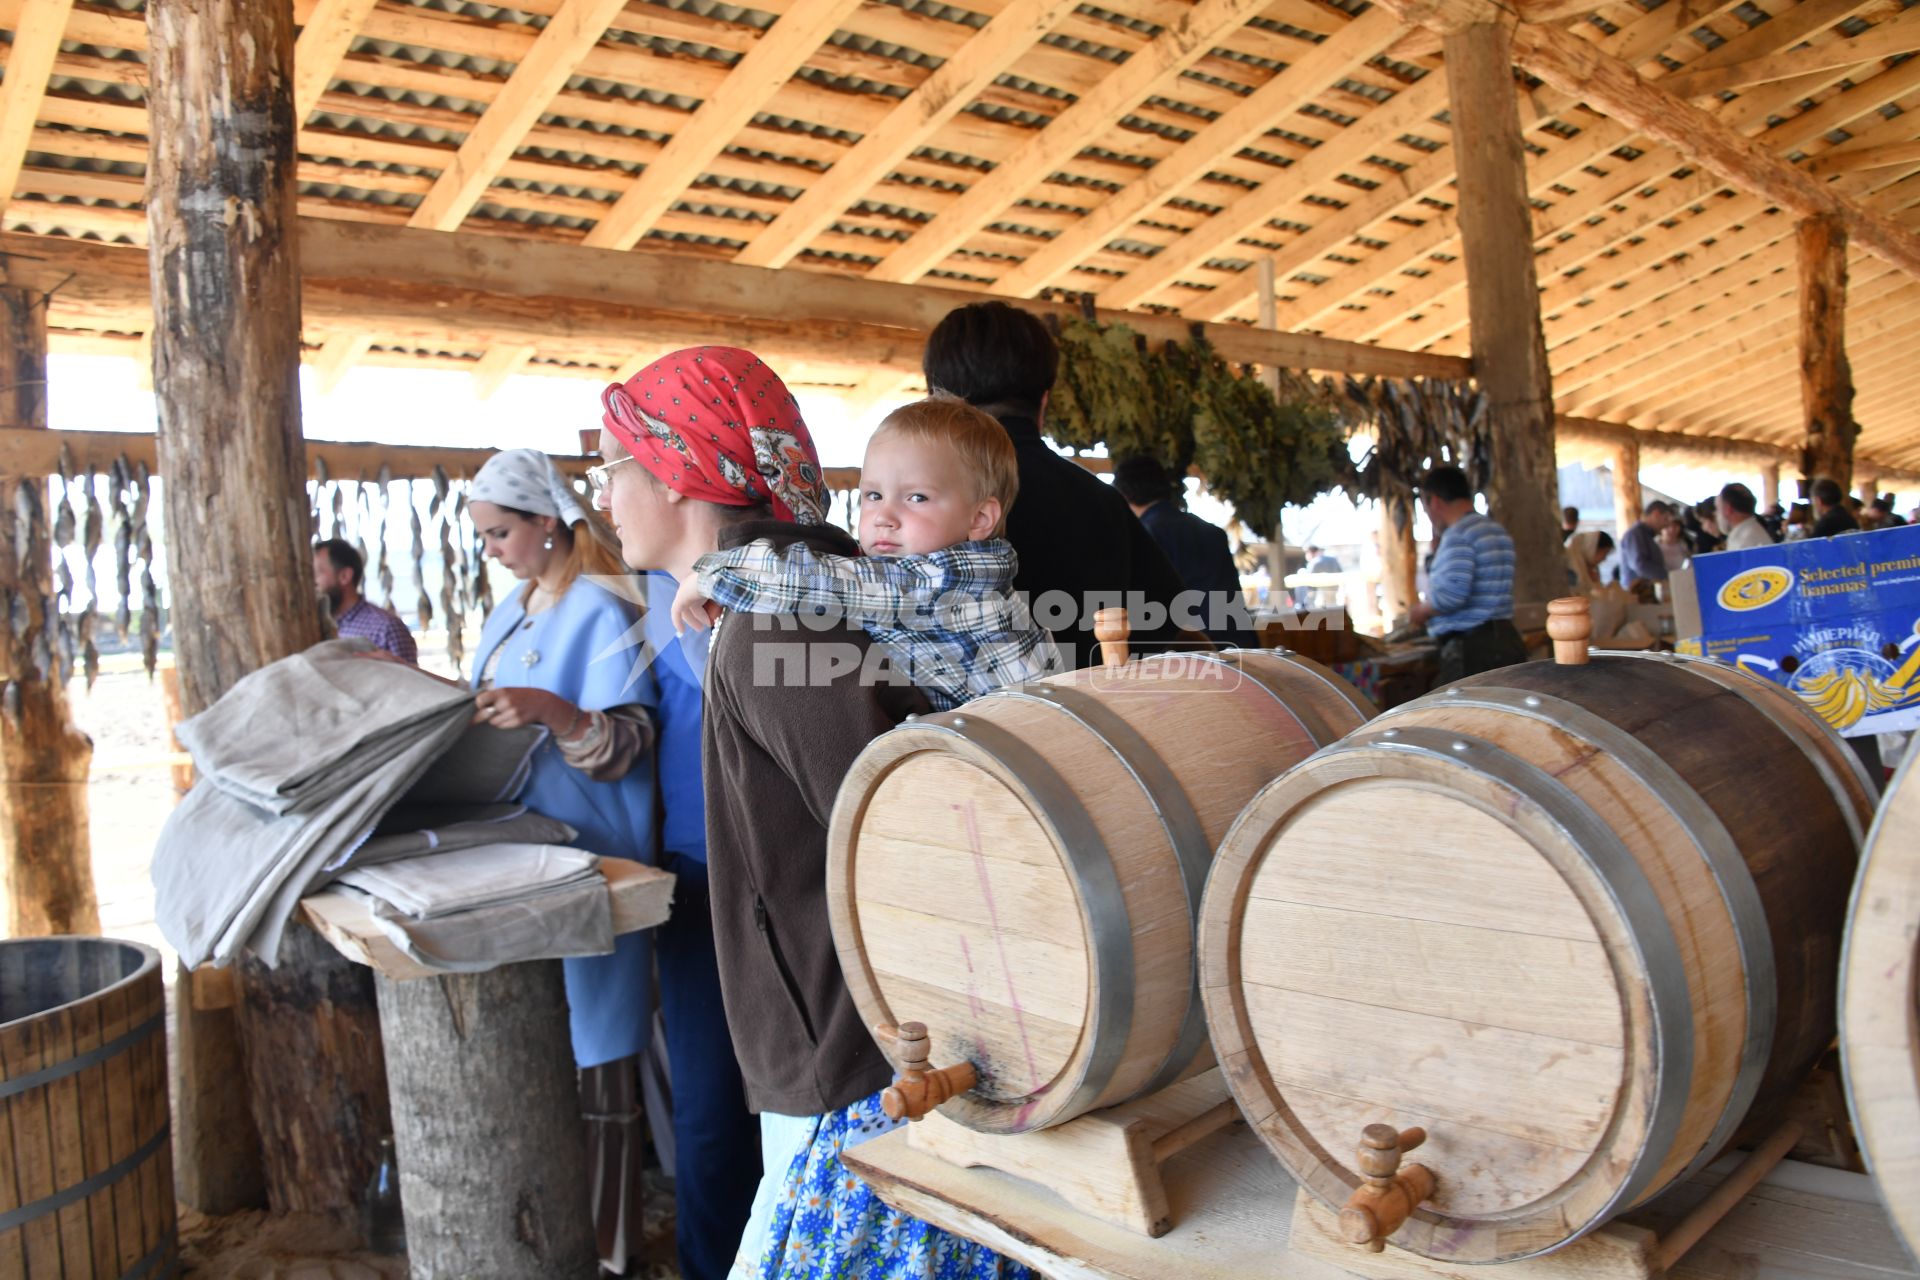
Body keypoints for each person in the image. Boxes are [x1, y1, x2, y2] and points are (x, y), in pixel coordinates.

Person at [592, 346, 1032, 1280]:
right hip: (851, 1032)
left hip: (852, 1048)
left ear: (678, 476)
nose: (602, 495)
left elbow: (887, 836)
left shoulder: (775, 623)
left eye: (613, 466)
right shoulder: (769, 601)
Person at [467, 448, 661, 1270]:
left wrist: (555, 711)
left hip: (597, 855)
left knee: (604, 1052)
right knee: (543, 1050)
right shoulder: (511, 611)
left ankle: (610, 1246)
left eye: (501, 532)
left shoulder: (604, 610)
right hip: (520, 853)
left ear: (548, 522)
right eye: (482, 537)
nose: (493, 549)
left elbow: (632, 742)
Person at [672, 396, 1062, 707]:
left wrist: (713, 574)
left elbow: (816, 580)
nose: (884, 517)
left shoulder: (936, 583)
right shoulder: (983, 578)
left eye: (917, 497)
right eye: (873, 495)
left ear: (980, 518)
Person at [921, 301, 1191, 667]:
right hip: (1092, 718)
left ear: (932, 398)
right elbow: (1171, 630)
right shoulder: (1105, 504)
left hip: (958, 723)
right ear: (1044, 401)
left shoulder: (916, 507)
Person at [1110, 454, 1258, 649]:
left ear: (1123, 495)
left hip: (1193, 656)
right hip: (1238, 645)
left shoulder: (1144, 536)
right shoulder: (1212, 531)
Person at [1408, 465, 1526, 685]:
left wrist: (1422, 610)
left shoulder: (1458, 535)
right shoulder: (1496, 530)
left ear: (1433, 501)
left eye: (1425, 508)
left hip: (1473, 649)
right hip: (1506, 639)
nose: (1429, 517)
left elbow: (1452, 595)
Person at [313, 537, 417, 661]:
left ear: (344, 576)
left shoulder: (386, 629)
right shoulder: (312, 626)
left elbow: (411, 679)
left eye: (316, 574)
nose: (311, 583)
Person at [1618, 500, 1675, 587]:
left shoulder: (1645, 535)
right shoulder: (1635, 534)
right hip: (1638, 594)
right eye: (1665, 519)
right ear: (1656, 514)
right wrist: (1669, 577)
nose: (1666, 524)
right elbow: (1640, 566)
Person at [1716, 483, 1774, 551]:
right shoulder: (1751, 532)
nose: (1716, 515)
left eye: (1718, 509)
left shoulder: (1744, 541)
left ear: (1728, 509)